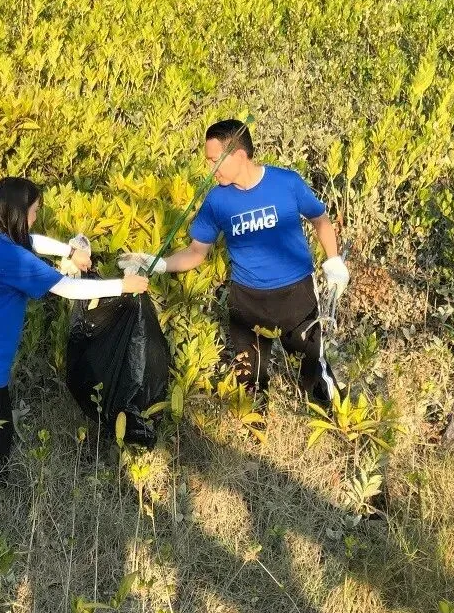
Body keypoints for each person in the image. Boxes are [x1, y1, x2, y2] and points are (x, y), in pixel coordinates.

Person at [0, 176, 150, 535]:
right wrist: (123, 285)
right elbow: (66, 288)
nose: (35, 218)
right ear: (18, 213)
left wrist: (68, 252)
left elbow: (34, 242)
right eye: (33, 212)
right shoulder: (11, 256)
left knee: (0, 434)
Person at [120, 120, 349, 404]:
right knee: (248, 381)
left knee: (313, 371)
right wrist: (159, 264)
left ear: (239, 155)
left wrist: (333, 261)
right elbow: (196, 252)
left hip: (296, 295)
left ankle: (337, 418)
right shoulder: (217, 200)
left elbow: (320, 219)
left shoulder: (286, 183)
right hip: (247, 301)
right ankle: (255, 425)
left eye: (214, 160)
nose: (210, 169)